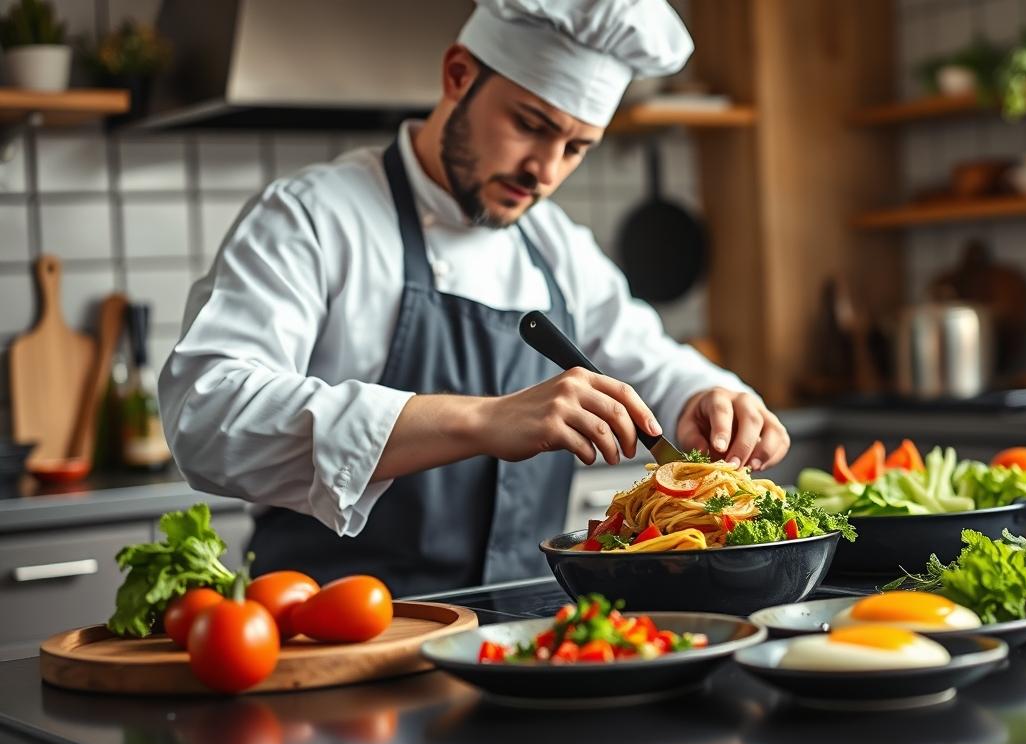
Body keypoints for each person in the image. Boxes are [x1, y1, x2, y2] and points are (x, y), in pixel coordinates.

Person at [158, 0, 790, 596]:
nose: (544, 170)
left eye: (575, 148)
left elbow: (648, 358)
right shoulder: (312, 218)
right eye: (530, 125)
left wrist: (709, 398)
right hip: (336, 638)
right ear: (458, 74)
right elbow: (206, 413)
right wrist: (483, 419)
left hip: (522, 643)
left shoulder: (554, 244)